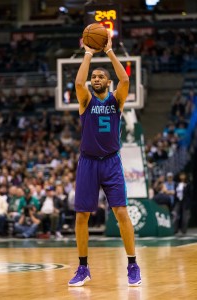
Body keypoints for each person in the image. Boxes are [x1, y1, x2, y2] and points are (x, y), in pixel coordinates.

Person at [68, 32, 141, 287]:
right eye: (94, 77)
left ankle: (133, 264)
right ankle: (83, 267)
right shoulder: (85, 99)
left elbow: (125, 78)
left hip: (111, 162)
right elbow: (78, 83)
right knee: (81, 217)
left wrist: (109, 51)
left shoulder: (116, 100)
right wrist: (88, 52)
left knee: (121, 212)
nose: (96, 78)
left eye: (101, 76)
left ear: (107, 83)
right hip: (88, 162)